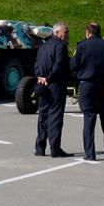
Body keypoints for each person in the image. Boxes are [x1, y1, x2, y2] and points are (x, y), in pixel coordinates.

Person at [70, 22, 104, 161]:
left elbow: (74, 65)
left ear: (88, 32)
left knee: (89, 118)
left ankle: (90, 153)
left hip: (87, 84)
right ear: (99, 32)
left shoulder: (82, 46)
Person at [33, 22, 72, 157]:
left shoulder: (43, 46)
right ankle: (55, 148)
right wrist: (49, 78)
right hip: (55, 85)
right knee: (55, 117)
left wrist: (40, 78)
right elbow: (59, 65)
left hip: (43, 84)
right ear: (57, 32)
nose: (67, 35)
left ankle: (40, 148)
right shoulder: (60, 46)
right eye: (65, 32)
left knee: (43, 115)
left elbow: (37, 64)